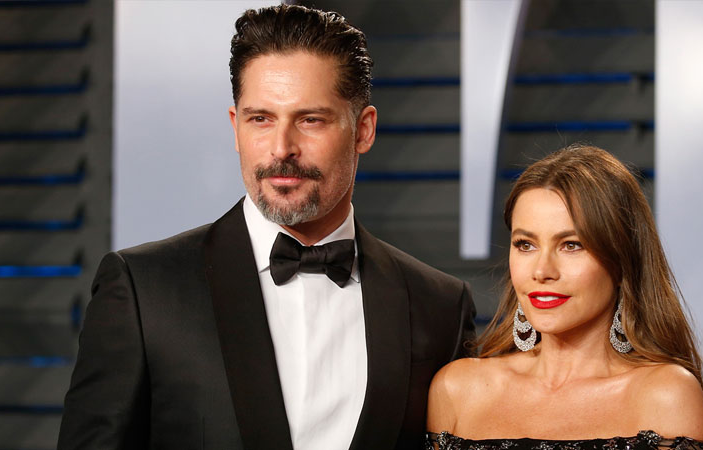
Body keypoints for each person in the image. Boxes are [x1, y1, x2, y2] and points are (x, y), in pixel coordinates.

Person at [58, 5, 476, 450]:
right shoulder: (143, 289)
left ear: (363, 131)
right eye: (261, 119)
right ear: (236, 127)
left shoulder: (439, 307)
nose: (281, 148)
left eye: (310, 120)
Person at [426, 145, 703, 450]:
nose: (542, 271)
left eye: (571, 245)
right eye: (525, 244)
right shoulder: (458, 390)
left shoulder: (666, 396)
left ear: (622, 262)